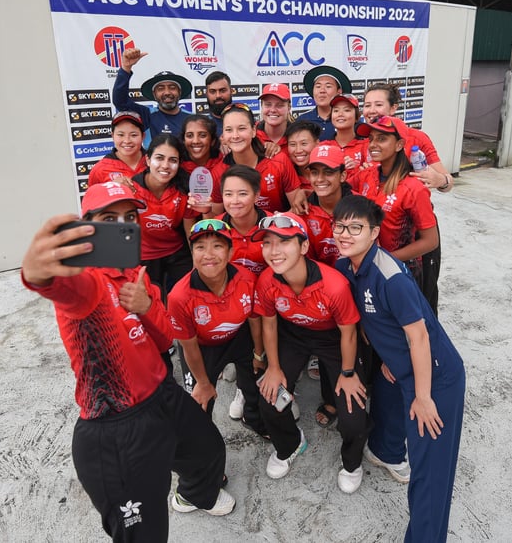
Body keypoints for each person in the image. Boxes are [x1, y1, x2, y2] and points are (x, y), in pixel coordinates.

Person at [20, 181, 234, 541]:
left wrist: (147, 307)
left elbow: (167, 339)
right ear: (89, 227)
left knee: (209, 451)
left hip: (164, 395)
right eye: (109, 218)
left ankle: (193, 495)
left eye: (129, 217)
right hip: (117, 428)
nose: (122, 226)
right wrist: (40, 273)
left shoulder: (139, 278)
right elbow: (59, 287)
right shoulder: (86, 281)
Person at [332, 195, 464, 543]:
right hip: (401, 365)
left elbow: (419, 337)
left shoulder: (391, 277)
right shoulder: (347, 266)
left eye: (356, 228)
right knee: (388, 393)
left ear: (374, 232)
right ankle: (387, 451)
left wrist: (423, 397)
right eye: (340, 226)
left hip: (436, 376)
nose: (345, 234)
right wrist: (389, 356)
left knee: (429, 474)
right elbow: (363, 318)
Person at [253, 212, 370, 494]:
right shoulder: (267, 280)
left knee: (354, 415)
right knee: (269, 401)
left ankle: (352, 463)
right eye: (267, 243)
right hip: (293, 337)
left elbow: (349, 333)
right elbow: (269, 325)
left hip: (334, 340)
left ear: (304, 246)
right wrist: (273, 367)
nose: (273, 251)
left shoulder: (334, 285)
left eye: (284, 242)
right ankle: (291, 444)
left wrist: (349, 372)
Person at [168, 219, 269, 439]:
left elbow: (254, 320)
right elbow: (189, 346)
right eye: (200, 247)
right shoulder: (179, 296)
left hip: (238, 336)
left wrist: (258, 354)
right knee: (200, 403)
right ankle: (206, 457)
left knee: (253, 379)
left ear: (231, 252)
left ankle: (253, 418)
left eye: (218, 246)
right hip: (202, 348)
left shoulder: (247, 278)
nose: (208, 254)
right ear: (192, 253)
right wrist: (203, 383)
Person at [299, 143, 357, 430]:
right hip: (323, 291)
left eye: (328, 172)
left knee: (358, 346)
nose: (320, 179)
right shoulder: (303, 209)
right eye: (314, 172)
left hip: (357, 288)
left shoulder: (358, 206)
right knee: (328, 346)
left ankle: (357, 384)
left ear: (343, 176)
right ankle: (331, 397)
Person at [354, 115, 439, 289]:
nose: (373, 144)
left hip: (402, 272)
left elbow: (431, 241)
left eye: (382, 139)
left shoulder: (414, 188)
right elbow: (338, 189)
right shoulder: (366, 175)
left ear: (399, 144)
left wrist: (385, 259)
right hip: (368, 268)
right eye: (371, 139)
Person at [129, 134, 202, 303]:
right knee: (148, 304)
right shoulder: (131, 189)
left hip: (176, 252)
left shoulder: (184, 189)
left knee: (186, 298)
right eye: (159, 158)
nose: (165, 166)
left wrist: (197, 263)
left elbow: (189, 231)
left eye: (172, 160)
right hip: (144, 255)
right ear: (147, 160)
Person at [361, 84, 454, 193]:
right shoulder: (364, 137)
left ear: (393, 108)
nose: (372, 110)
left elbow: (448, 183)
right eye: (367, 105)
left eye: (378, 105)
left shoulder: (417, 138)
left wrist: (441, 180)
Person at [219, 103, 307, 214]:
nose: (235, 135)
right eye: (228, 130)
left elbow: (298, 208)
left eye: (241, 128)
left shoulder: (279, 161)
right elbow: (216, 221)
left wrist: (278, 221)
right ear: (223, 135)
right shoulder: (219, 171)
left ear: (254, 131)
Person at [113, 47, 192, 140]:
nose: (167, 92)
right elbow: (120, 101)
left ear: (180, 92)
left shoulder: (192, 118)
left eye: (172, 87)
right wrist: (126, 68)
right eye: (161, 88)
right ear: (154, 94)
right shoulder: (147, 115)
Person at [216, 165, 268, 275]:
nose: (235, 201)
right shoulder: (215, 228)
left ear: (256, 196)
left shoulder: (273, 226)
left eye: (242, 194)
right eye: (228, 194)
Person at [180, 114, 227, 217]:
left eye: (202, 135)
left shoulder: (223, 164)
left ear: (213, 141)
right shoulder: (177, 167)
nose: (196, 141)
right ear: (183, 140)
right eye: (189, 135)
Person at [87, 111, 146, 187]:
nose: (127, 141)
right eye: (120, 135)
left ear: (143, 136)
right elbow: (92, 197)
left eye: (133, 135)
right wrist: (112, 188)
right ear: (112, 136)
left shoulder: (155, 162)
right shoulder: (100, 169)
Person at [296, 65, 352, 141]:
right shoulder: (302, 121)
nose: (322, 90)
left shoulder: (348, 120)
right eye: (318, 86)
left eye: (328, 86)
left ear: (339, 92)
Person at [319, 94, 367, 169]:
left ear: (357, 117)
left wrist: (357, 170)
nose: (340, 114)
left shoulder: (366, 145)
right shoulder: (323, 147)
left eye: (347, 110)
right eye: (336, 110)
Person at [256, 83, 294, 161]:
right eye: (268, 104)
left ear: (289, 107)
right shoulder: (251, 134)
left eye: (279, 105)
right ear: (261, 106)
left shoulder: (298, 135)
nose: (273, 110)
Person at [284, 120, 322, 191]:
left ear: (317, 143)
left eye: (304, 144)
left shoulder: (331, 168)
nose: (298, 150)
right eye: (293, 144)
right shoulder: (286, 174)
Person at [203, 71, 234, 135]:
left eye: (223, 90)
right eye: (212, 91)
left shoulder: (244, 122)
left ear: (231, 91)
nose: (218, 96)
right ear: (206, 94)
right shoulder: (201, 126)